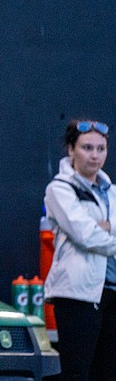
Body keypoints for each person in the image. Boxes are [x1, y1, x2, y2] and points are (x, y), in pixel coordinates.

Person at [44, 119, 116, 381]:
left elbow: (93, 234)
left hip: (111, 292)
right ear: (71, 150)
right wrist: (105, 230)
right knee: (77, 373)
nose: (95, 155)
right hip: (78, 295)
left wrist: (104, 227)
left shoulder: (112, 192)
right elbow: (86, 235)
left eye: (101, 148)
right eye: (87, 148)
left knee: (109, 372)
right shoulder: (60, 189)